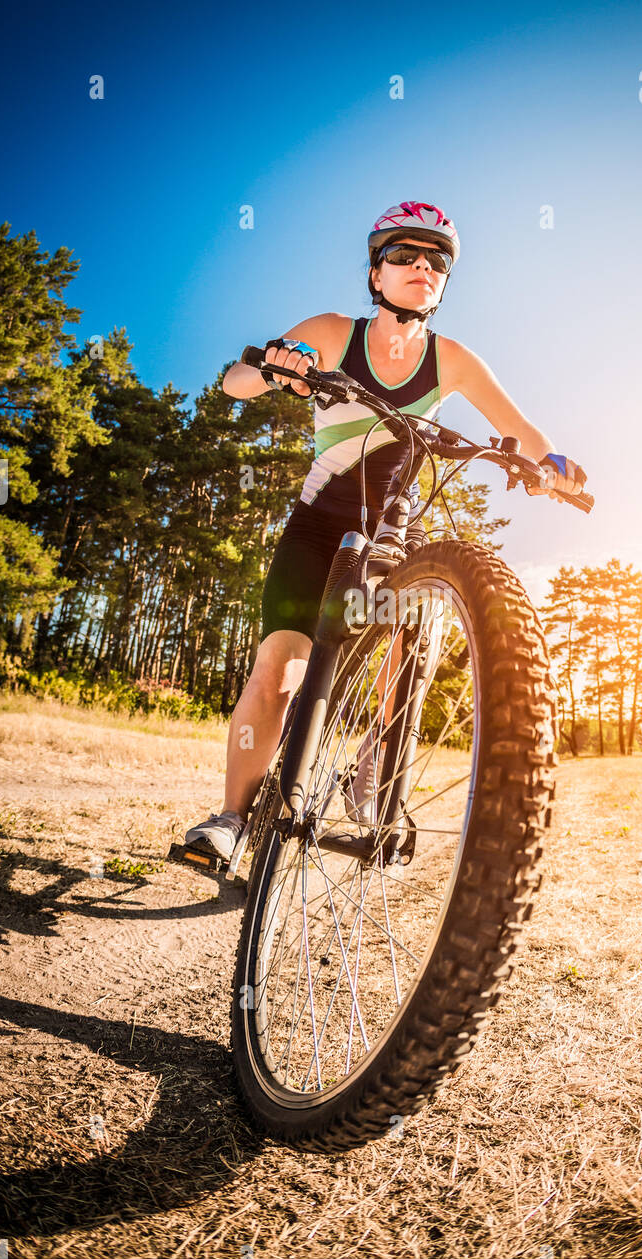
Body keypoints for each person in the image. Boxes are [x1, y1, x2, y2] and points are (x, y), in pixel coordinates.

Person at [183, 200, 586, 864]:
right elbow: (235, 382)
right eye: (403, 255)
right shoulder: (333, 331)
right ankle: (230, 820)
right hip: (316, 531)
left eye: (436, 261)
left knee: (409, 642)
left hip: (391, 536)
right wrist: (275, 367)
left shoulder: (451, 359)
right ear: (376, 275)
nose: (421, 267)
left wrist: (551, 467)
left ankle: (372, 764)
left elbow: (526, 433)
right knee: (278, 672)